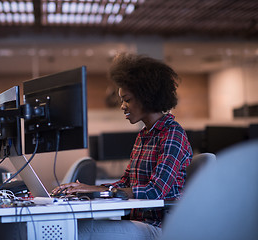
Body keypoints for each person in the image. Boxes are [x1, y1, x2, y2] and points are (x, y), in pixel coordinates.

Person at [52, 52, 193, 240]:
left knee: (79, 232)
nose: (122, 107)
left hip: (159, 227)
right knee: (77, 225)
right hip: (137, 222)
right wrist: (88, 188)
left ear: (147, 96)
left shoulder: (172, 133)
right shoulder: (144, 136)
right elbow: (126, 184)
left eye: (127, 99)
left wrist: (95, 190)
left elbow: (155, 191)